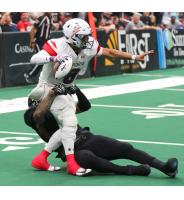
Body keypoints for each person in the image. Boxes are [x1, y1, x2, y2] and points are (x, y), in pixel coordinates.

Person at [28, 18, 154, 176]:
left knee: (68, 127)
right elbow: (34, 59)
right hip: (48, 88)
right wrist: (54, 58)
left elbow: (110, 52)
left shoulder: (88, 46)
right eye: (84, 36)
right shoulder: (57, 45)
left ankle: (41, 158)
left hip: (64, 89)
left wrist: (134, 57)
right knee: (70, 122)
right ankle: (72, 164)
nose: (88, 39)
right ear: (73, 36)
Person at [24, 84, 178, 178]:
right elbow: (39, 115)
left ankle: (163, 167)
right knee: (86, 158)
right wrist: (52, 94)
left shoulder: (58, 108)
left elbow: (85, 106)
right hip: (73, 151)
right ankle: (129, 170)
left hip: (87, 138)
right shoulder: (31, 115)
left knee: (124, 148)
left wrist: (75, 89)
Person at [24, 12, 53, 83]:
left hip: (46, 42)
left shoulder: (50, 18)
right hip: (40, 42)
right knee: (42, 59)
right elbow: (33, 29)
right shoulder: (42, 18)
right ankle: (29, 74)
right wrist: (32, 41)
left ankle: (45, 78)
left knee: (46, 60)